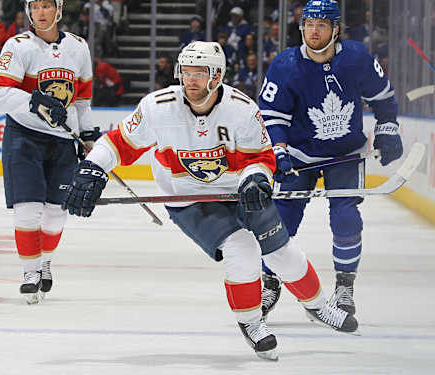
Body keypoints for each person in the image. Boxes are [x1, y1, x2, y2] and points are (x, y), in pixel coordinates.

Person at [62, 41, 358, 360]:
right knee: (241, 248)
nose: (190, 80)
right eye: (185, 72)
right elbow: (119, 143)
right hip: (189, 198)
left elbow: (259, 157)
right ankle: (251, 323)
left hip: (240, 190)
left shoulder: (241, 109)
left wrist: (255, 179)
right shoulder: (157, 107)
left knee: (282, 252)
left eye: (199, 73)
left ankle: (316, 306)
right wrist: (94, 167)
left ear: (216, 76)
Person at [258, 0, 403, 320]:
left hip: (345, 155)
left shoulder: (356, 58)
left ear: (336, 30)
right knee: (280, 220)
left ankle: (344, 286)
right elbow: (271, 114)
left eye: (321, 25)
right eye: (309, 24)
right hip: (299, 155)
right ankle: (269, 281)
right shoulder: (285, 65)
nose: (313, 31)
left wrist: (388, 128)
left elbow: (383, 95)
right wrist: (279, 150)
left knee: (346, 217)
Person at [0, 0, 101, 305]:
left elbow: (82, 99)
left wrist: (88, 134)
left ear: (59, 10)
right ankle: (29, 272)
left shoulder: (78, 47)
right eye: (34, 6)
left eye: (46, 6)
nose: (40, 12)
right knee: (28, 208)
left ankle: (44, 261)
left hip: (63, 141)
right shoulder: (19, 45)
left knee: (55, 212)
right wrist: (34, 102)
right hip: (24, 138)